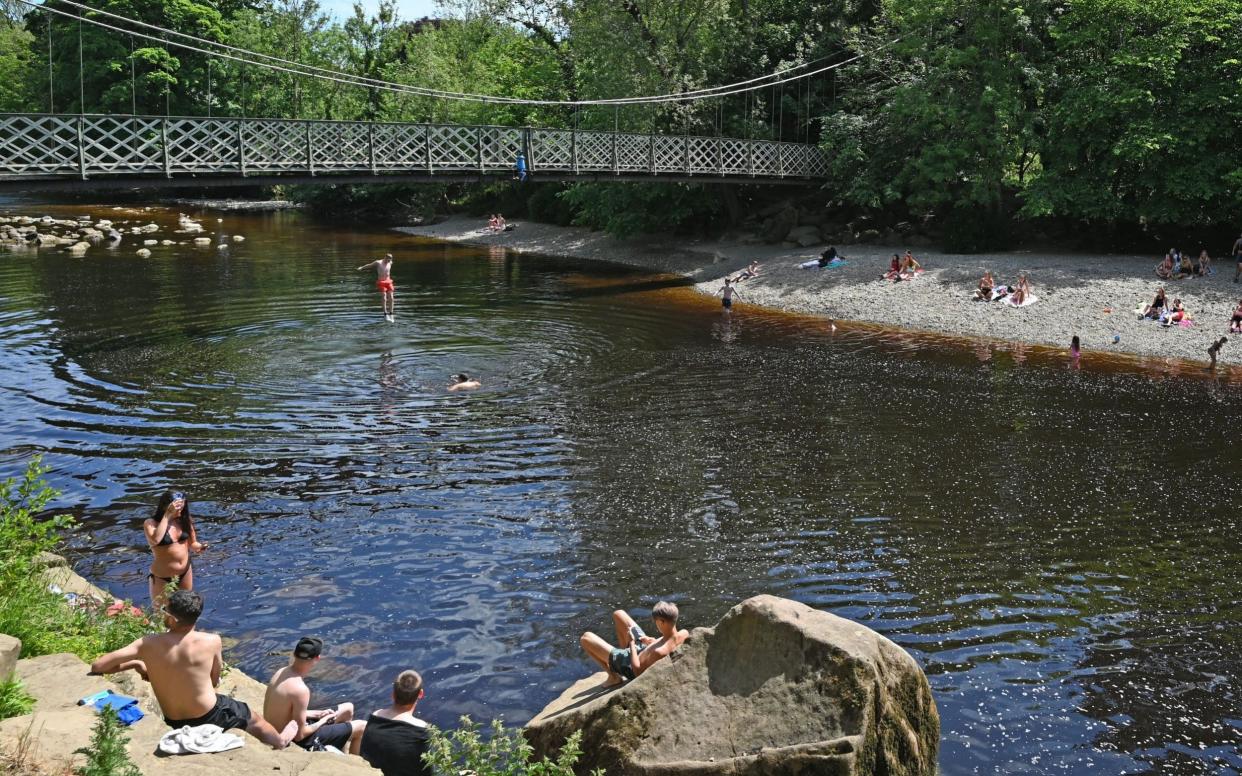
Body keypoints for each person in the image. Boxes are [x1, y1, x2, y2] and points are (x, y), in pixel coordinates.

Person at [90, 591, 296, 749]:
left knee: (242, 712)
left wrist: (136, 663)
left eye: (165, 611)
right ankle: (280, 742)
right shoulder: (212, 641)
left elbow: (99, 666)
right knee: (253, 718)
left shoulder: (147, 643)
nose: (163, 614)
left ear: (173, 618)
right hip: (208, 715)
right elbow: (214, 681)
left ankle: (279, 741)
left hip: (173, 720)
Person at [264, 637, 365, 754]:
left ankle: (340, 749)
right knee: (362, 727)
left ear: (294, 654)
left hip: (276, 729)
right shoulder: (300, 689)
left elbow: (282, 711)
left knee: (348, 708)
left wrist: (314, 713)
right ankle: (352, 763)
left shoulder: (281, 672)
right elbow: (299, 736)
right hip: (291, 739)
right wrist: (323, 721)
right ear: (317, 658)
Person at [579, 601, 689, 686]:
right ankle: (617, 662)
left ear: (661, 622)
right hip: (644, 648)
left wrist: (631, 643)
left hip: (629, 664)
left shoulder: (658, 652)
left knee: (585, 638)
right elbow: (668, 643)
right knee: (619, 614)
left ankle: (614, 676)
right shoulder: (684, 633)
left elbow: (637, 672)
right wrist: (653, 641)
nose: (655, 624)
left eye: (656, 621)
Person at [359, 670, 432, 776]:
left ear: (393, 694)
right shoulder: (421, 729)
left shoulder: (376, 716)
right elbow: (427, 770)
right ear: (420, 694)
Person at [144, 490, 204, 606]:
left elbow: (193, 543)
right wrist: (167, 515)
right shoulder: (151, 523)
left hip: (185, 572)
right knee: (161, 611)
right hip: (162, 576)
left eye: (182, 507)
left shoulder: (184, 520)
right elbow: (156, 539)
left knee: (186, 607)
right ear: (165, 506)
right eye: (177, 507)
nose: (180, 510)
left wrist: (200, 547)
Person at [357, 253, 396, 322]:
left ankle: (391, 314)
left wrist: (389, 261)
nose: (388, 261)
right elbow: (369, 265)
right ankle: (385, 314)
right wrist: (362, 268)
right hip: (381, 282)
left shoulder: (390, 262)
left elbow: (389, 265)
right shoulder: (378, 262)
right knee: (384, 296)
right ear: (385, 257)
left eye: (390, 260)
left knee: (391, 297)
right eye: (387, 259)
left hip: (388, 281)